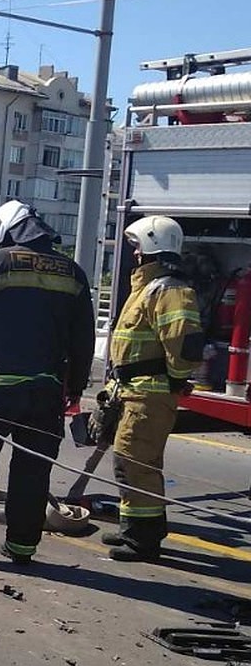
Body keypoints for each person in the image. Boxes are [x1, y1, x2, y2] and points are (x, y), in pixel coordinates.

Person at [0, 200, 95, 564]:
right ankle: (22, 547)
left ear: (5, 230)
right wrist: (74, 388)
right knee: (33, 470)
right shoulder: (73, 272)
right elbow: (83, 338)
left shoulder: (1, 260)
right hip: (46, 390)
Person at [102, 215, 203, 561]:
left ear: (150, 246)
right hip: (135, 391)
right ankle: (136, 528)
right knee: (135, 463)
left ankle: (142, 542)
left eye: (136, 247)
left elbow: (183, 344)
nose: (133, 255)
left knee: (135, 462)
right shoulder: (148, 287)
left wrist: (174, 379)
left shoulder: (168, 289)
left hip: (150, 393)